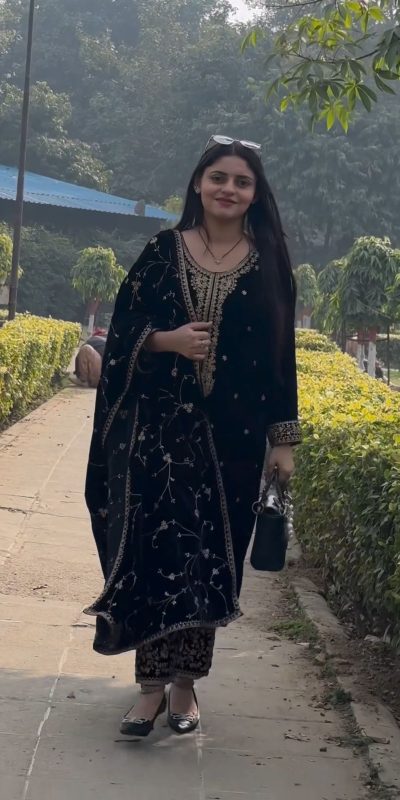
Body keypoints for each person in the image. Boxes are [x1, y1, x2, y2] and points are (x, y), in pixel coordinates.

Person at [84, 134, 301, 737]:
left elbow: (281, 357)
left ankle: (185, 689)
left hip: (233, 441)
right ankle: (149, 691)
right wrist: (167, 341)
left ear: (255, 193)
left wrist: (283, 439)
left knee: (209, 560)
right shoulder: (162, 251)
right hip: (157, 435)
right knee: (154, 554)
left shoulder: (270, 263)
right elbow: (124, 331)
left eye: (242, 181)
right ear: (199, 185)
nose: (228, 189)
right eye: (219, 178)